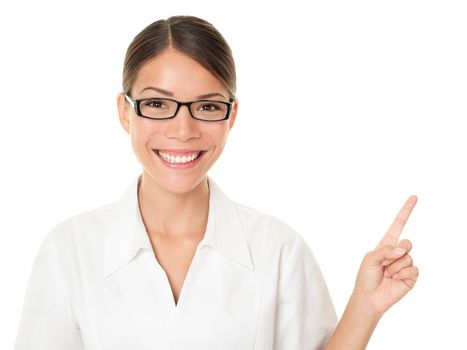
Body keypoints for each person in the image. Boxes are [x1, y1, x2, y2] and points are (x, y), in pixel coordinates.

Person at [14, 15, 419, 350]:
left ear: (231, 115)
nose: (183, 129)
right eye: (158, 103)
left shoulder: (279, 250)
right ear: (125, 111)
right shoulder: (69, 251)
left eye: (207, 106)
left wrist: (366, 306)